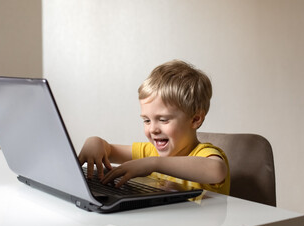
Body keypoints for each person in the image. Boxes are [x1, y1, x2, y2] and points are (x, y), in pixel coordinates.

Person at [78, 60, 230, 195]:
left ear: (195, 119)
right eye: (146, 120)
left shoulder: (204, 154)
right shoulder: (151, 151)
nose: (152, 129)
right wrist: (95, 142)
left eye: (163, 120)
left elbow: (217, 170)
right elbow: (109, 150)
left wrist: (153, 164)